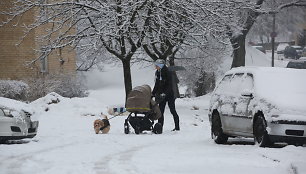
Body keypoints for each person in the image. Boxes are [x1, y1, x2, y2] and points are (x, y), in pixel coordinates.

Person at [152, 59, 180, 132]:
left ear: (160, 65)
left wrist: (165, 93)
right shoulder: (158, 72)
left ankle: (177, 127)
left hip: (169, 94)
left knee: (172, 110)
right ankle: (160, 128)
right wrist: (153, 93)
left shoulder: (168, 72)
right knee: (160, 112)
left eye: (156, 65)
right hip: (161, 95)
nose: (155, 67)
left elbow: (169, 85)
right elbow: (157, 84)